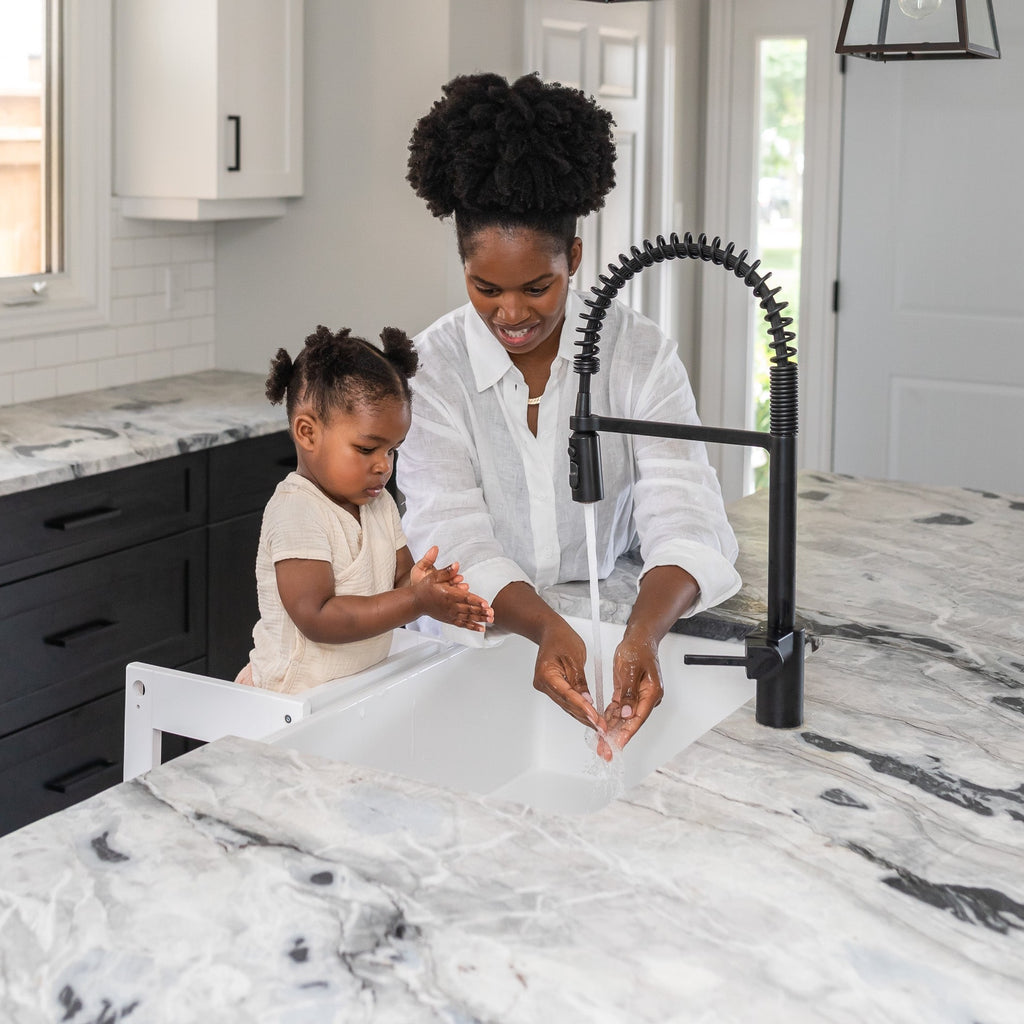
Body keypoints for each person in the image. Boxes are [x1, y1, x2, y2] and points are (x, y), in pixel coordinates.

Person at [398, 72, 741, 757]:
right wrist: (546, 625)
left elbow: (687, 516)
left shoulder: (637, 354)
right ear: (462, 265)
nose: (512, 313)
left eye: (538, 286)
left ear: (574, 258)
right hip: (464, 654)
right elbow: (452, 537)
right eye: (485, 288)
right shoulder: (431, 370)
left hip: (606, 622)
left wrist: (641, 635)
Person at [238, 324, 493, 694]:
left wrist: (425, 586)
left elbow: (399, 580)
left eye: (392, 450)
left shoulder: (378, 504)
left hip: (349, 691)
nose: (383, 465)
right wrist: (415, 601)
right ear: (307, 433)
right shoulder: (297, 511)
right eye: (366, 449)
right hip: (288, 699)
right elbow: (317, 617)